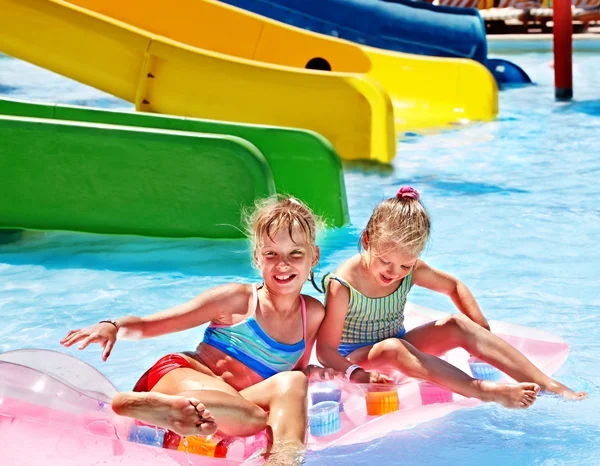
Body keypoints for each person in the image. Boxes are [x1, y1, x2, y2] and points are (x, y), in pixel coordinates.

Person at [61, 196, 330, 465]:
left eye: (295, 253)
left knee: (285, 391)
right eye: (271, 254)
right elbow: (150, 325)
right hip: (181, 376)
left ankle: (283, 462)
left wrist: (320, 372)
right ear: (257, 258)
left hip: (232, 403)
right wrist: (113, 326)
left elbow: (293, 374)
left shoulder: (313, 314)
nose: (283, 264)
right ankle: (156, 406)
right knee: (254, 416)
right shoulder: (237, 300)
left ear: (314, 256)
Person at [317, 186, 587, 408]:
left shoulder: (410, 271)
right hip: (360, 358)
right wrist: (356, 373)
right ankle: (483, 390)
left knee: (456, 324)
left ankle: (547, 384)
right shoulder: (344, 284)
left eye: (405, 266)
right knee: (392, 348)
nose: (394, 272)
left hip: (401, 345)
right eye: (386, 261)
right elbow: (326, 350)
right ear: (367, 241)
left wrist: (481, 333)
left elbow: (454, 286)